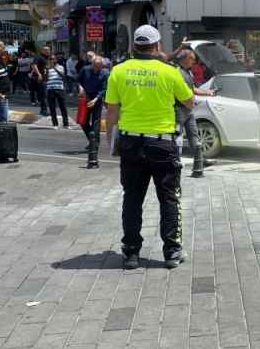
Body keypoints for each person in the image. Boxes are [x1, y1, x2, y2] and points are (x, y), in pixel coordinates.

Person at [104, 25, 194, 270]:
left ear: (134, 45)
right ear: (156, 47)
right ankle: (172, 252)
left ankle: (131, 253)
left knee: (132, 198)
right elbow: (189, 101)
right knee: (168, 197)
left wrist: (110, 138)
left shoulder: (118, 71)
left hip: (131, 142)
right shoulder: (169, 71)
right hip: (162, 142)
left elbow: (111, 110)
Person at [173, 49, 215, 157]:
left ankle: (199, 161)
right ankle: (176, 159)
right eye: (192, 58)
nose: (194, 61)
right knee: (177, 136)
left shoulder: (188, 72)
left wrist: (208, 92)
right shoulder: (176, 71)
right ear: (185, 58)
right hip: (178, 109)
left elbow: (193, 89)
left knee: (194, 135)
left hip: (188, 110)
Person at [78, 56, 109, 149]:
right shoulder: (85, 69)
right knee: (83, 122)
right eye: (95, 66)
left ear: (102, 66)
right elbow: (78, 80)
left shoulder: (105, 73)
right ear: (92, 64)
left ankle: (95, 143)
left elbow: (104, 89)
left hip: (97, 99)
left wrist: (95, 99)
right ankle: (92, 140)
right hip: (85, 97)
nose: (96, 69)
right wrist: (80, 87)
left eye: (99, 67)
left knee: (96, 122)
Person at [46, 54, 70, 129]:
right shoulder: (47, 68)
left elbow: (62, 75)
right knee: (52, 107)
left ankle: (66, 124)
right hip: (50, 89)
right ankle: (55, 124)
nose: (52, 60)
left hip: (59, 88)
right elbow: (45, 79)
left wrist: (55, 68)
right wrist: (47, 70)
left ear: (56, 60)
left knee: (63, 107)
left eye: (53, 59)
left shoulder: (60, 67)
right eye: (50, 59)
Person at [31, 46, 50, 116]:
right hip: (41, 79)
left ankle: (44, 109)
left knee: (45, 95)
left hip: (46, 79)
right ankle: (44, 110)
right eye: (46, 50)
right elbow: (33, 65)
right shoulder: (38, 56)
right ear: (42, 50)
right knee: (43, 95)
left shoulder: (47, 58)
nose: (48, 51)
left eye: (48, 50)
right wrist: (39, 74)